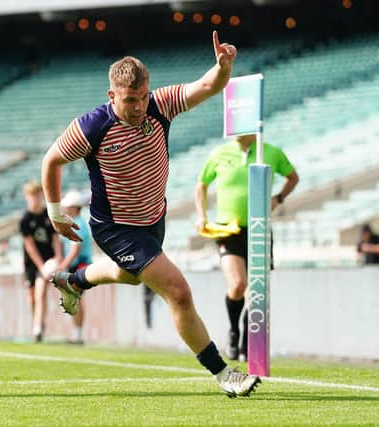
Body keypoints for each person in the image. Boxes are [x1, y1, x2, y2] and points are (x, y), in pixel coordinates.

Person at [42, 32, 261, 398]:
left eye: (143, 97)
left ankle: (75, 281)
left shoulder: (161, 105)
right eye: (130, 100)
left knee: (129, 276)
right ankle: (223, 373)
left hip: (151, 220)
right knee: (178, 292)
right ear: (112, 95)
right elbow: (51, 160)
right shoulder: (92, 127)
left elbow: (208, 85)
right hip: (115, 227)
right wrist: (54, 212)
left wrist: (224, 68)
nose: (139, 106)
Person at [195, 133, 299, 362]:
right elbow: (201, 185)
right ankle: (234, 331)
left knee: (257, 292)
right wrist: (201, 215)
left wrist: (278, 198)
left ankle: (247, 343)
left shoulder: (271, 152)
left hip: (259, 227)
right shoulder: (220, 153)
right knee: (238, 284)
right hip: (228, 230)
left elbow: (293, 177)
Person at [19, 181, 63, 342]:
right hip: (32, 263)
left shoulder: (47, 215)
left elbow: (55, 238)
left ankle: (37, 329)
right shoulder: (25, 220)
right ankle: (37, 322)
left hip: (48, 259)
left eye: (37, 195)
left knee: (41, 291)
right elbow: (29, 246)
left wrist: (58, 257)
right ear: (26, 197)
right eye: (31, 196)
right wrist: (40, 266)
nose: (35, 199)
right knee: (31, 297)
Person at [56, 190, 92, 344]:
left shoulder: (77, 225)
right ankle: (77, 334)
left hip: (80, 266)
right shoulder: (76, 223)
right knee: (73, 298)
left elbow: (75, 249)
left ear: (74, 207)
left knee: (74, 298)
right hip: (77, 266)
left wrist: (62, 266)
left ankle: (78, 335)